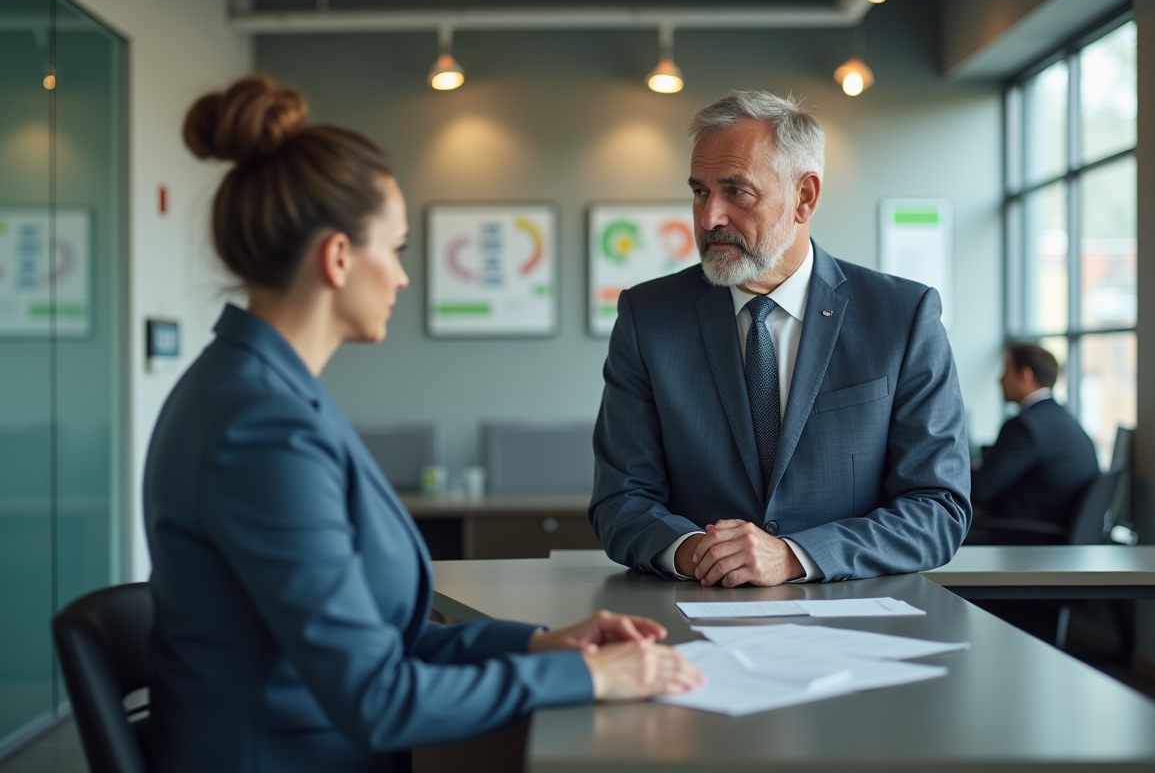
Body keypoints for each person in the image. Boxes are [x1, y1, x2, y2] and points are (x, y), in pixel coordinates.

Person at [143, 76, 700, 773]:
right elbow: (377, 695)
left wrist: (545, 645)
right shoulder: (260, 429)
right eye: (398, 249)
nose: (404, 278)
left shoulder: (265, 395)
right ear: (339, 258)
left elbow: (383, 643)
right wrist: (593, 678)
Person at [589, 90, 971, 587]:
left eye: (737, 192)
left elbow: (938, 508)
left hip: (858, 624)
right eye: (700, 192)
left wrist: (794, 556)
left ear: (804, 197)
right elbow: (620, 498)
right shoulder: (648, 316)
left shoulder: (903, 316)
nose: (709, 219)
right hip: (694, 618)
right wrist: (694, 551)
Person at [970, 345, 1099, 531]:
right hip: (1055, 527)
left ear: (1025, 375)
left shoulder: (1025, 426)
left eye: (1006, 370)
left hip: (1028, 535)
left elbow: (979, 490)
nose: (1000, 379)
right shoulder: (1061, 417)